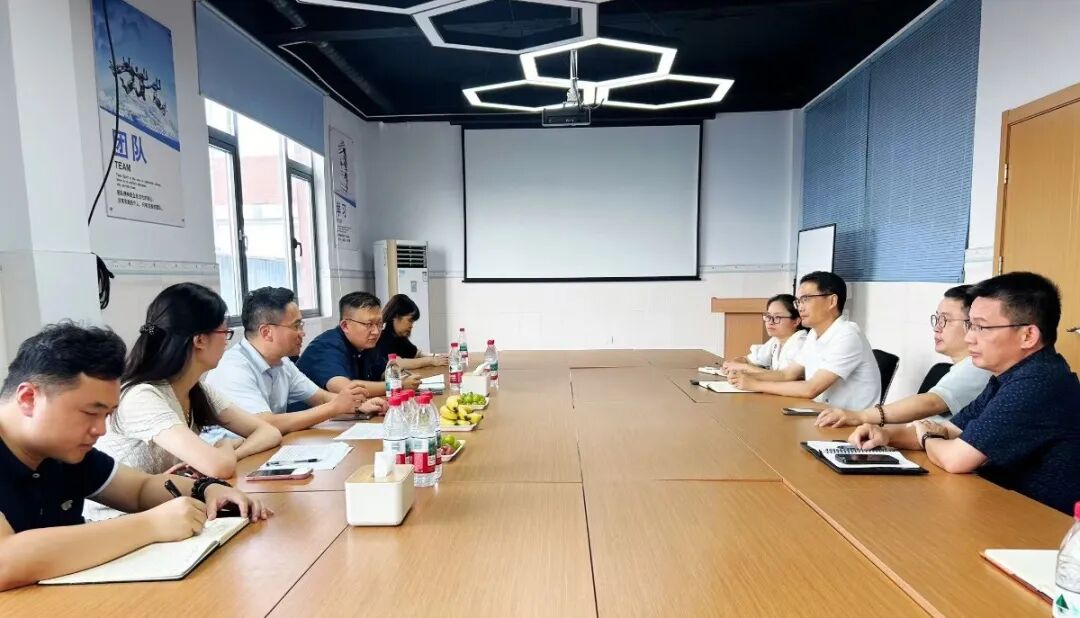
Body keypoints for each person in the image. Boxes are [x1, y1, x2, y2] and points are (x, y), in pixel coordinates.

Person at [0, 323, 271, 591]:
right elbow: (4, 561)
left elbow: (139, 489)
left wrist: (208, 489)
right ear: (28, 398)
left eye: (107, 415)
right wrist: (151, 525)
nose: (100, 429)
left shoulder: (61, 451)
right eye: (90, 413)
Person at [848, 272, 1080, 514]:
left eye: (981, 327)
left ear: (1028, 335)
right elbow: (951, 430)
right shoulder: (1008, 376)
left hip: (1038, 523)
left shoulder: (1038, 382)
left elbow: (956, 458)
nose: (969, 338)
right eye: (970, 326)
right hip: (997, 504)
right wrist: (885, 435)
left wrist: (928, 437)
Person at [88, 283, 281, 521]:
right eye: (224, 333)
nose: (227, 342)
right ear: (199, 340)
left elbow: (269, 432)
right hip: (120, 521)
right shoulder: (142, 396)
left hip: (169, 510)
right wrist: (223, 447)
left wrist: (231, 452)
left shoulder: (198, 389)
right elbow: (218, 467)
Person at [204, 287, 387, 435]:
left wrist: (359, 406)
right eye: (296, 326)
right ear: (266, 332)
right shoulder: (233, 368)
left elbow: (320, 397)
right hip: (235, 456)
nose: (303, 333)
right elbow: (265, 424)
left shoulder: (282, 363)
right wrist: (334, 407)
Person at [816, 285, 990, 427]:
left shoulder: (977, 368)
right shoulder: (963, 367)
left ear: (973, 325)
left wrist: (861, 416)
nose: (937, 327)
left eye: (947, 320)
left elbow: (931, 403)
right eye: (937, 319)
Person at [728, 271, 881, 410]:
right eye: (798, 301)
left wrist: (755, 384)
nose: (800, 307)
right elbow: (787, 374)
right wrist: (745, 377)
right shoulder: (814, 334)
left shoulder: (847, 335)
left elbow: (811, 389)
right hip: (821, 413)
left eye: (806, 299)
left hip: (852, 424)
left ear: (832, 301)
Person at [296, 292, 421, 396]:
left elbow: (382, 371)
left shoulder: (366, 344)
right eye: (369, 324)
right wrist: (398, 384)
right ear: (345, 326)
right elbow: (345, 389)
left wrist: (400, 376)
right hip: (309, 416)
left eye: (379, 324)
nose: (376, 331)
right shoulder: (327, 346)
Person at [722, 294, 807, 373]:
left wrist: (744, 367)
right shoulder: (776, 340)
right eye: (768, 316)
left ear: (796, 321)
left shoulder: (800, 343)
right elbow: (749, 359)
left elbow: (783, 376)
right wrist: (733, 363)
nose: (770, 322)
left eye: (777, 317)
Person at [374, 294, 449, 371]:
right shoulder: (381, 337)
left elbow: (417, 353)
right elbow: (396, 362)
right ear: (395, 316)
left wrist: (438, 356)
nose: (411, 326)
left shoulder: (399, 337)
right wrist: (430, 361)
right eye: (410, 320)